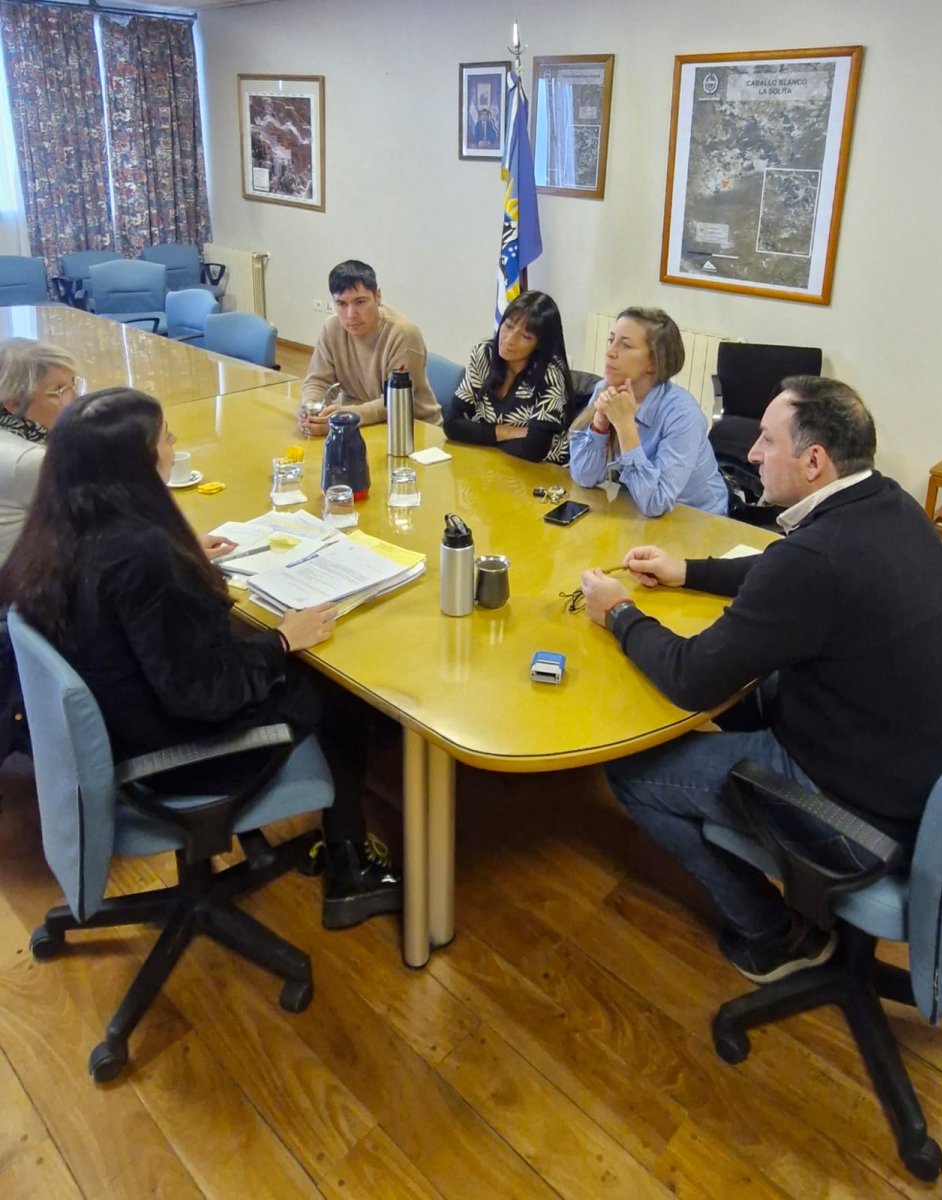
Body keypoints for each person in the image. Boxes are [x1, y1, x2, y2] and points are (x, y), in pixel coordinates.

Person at [579, 376, 942, 983]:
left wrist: (619, 613)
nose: (751, 453)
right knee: (746, 688)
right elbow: (782, 571)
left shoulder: (815, 559)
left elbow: (691, 678)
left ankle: (774, 934)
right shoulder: (889, 505)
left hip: (866, 822)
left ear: (814, 461)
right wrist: (688, 570)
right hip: (922, 782)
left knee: (630, 772)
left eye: (767, 440)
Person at [0, 388, 401, 931]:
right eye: (165, 438)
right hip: (168, 755)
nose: (174, 443)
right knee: (335, 693)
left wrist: (181, 554)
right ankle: (351, 869)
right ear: (139, 464)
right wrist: (282, 641)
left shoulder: (59, 531)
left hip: (119, 726)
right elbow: (203, 694)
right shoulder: (142, 557)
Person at [568, 307, 728, 517]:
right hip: (638, 509)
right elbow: (583, 476)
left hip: (700, 519)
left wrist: (625, 427)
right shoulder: (605, 390)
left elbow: (656, 502)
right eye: (611, 340)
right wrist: (600, 423)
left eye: (625, 345)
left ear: (653, 363)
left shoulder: (683, 415)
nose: (610, 352)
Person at [298, 259, 441, 435]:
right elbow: (317, 381)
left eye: (360, 302)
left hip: (413, 429)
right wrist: (311, 409)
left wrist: (345, 417)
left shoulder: (403, 334)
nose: (351, 314)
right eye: (341, 304)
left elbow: (396, 401)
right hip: (361, 426)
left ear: (377, 296)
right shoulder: (332, 328)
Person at [443, 291, 573, 463]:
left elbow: (534, 449)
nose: (510, 339)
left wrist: (478, 433)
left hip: (542, 469)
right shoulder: (485, 355)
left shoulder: (550, 374)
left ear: (539, 344)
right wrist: (506, 432)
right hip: (489, 462)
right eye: (509, 326)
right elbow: (452, 425)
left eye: (526, 336)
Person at [0, 339, 79, 566]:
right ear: (14, 404)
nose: (74, 399)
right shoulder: (30, 460)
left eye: (73, 384)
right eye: (58, 391)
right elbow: (89, 521)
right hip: (24, 578)